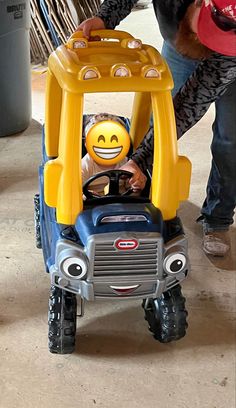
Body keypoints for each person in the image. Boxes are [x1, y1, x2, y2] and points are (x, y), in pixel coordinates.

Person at [77, 0, 236, 257]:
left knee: (231, 141)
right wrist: (105, 18)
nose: (209, 39)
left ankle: (218, 218)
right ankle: (141, 195)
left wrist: (140, 157)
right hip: (179, 39)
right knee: (158, 118)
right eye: (210, 29)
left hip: (231, 58)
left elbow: (189, 104)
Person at [82, 113, 137, 195]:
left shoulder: (125, 162)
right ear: (87, 144)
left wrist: (133, 186)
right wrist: (84, 195)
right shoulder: (85, 165)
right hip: (93, 203)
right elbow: (74, 189)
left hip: (120, 202)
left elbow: (131, 187)